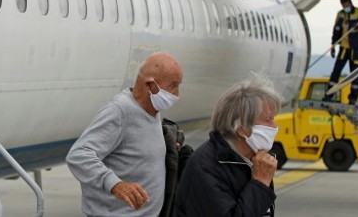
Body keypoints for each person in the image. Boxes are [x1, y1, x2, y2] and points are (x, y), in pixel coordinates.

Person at [66, 52, 184, 217]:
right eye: (173, 85)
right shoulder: (120, 111)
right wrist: (115, 184)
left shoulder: (151, 109)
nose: (176, 94)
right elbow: (79, 155)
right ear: (150, 85)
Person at [173, 76, 282, 217]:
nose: (274, 126)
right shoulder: (207, 167)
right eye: (268, 120)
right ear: (242, 129)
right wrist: (260, 183)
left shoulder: (251, 160)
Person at [323, 0, 358, 104]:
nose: (345, 6)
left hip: (356, 48)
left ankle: (353, 98)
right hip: (344, 48)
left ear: (350, 3)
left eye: (347, 4)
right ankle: (329, 95)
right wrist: (333, 45)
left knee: (355, 74)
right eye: (343, 5)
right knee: (336, 72)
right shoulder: (340, 14)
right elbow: (336, 30)